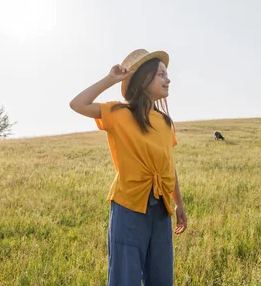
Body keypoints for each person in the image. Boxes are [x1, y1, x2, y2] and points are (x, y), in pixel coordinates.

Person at [69, 48, 187, 285]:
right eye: (161, 74)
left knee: (162, 278)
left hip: (162, 209)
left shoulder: (165, 122)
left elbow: (168, 165)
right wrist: (110, 79)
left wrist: (179, 204)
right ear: (144, 79)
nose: (168, 79)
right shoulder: (117, 113)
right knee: (126, 277)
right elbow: (77, 104)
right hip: (129, 206)